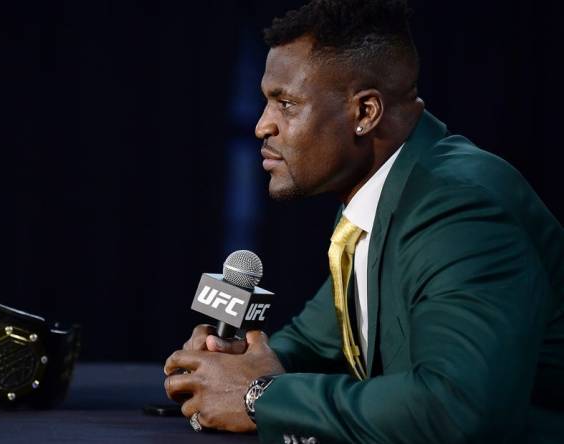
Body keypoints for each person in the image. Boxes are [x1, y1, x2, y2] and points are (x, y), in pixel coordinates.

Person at [163, 1, 564, 442]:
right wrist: (237, 361)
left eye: (287, 104)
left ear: (365, 112)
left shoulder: (459, 209)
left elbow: (458, 409)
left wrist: (258, 396)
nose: (262, 126)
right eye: (266, 102)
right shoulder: (381, 197)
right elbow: (315, 346)